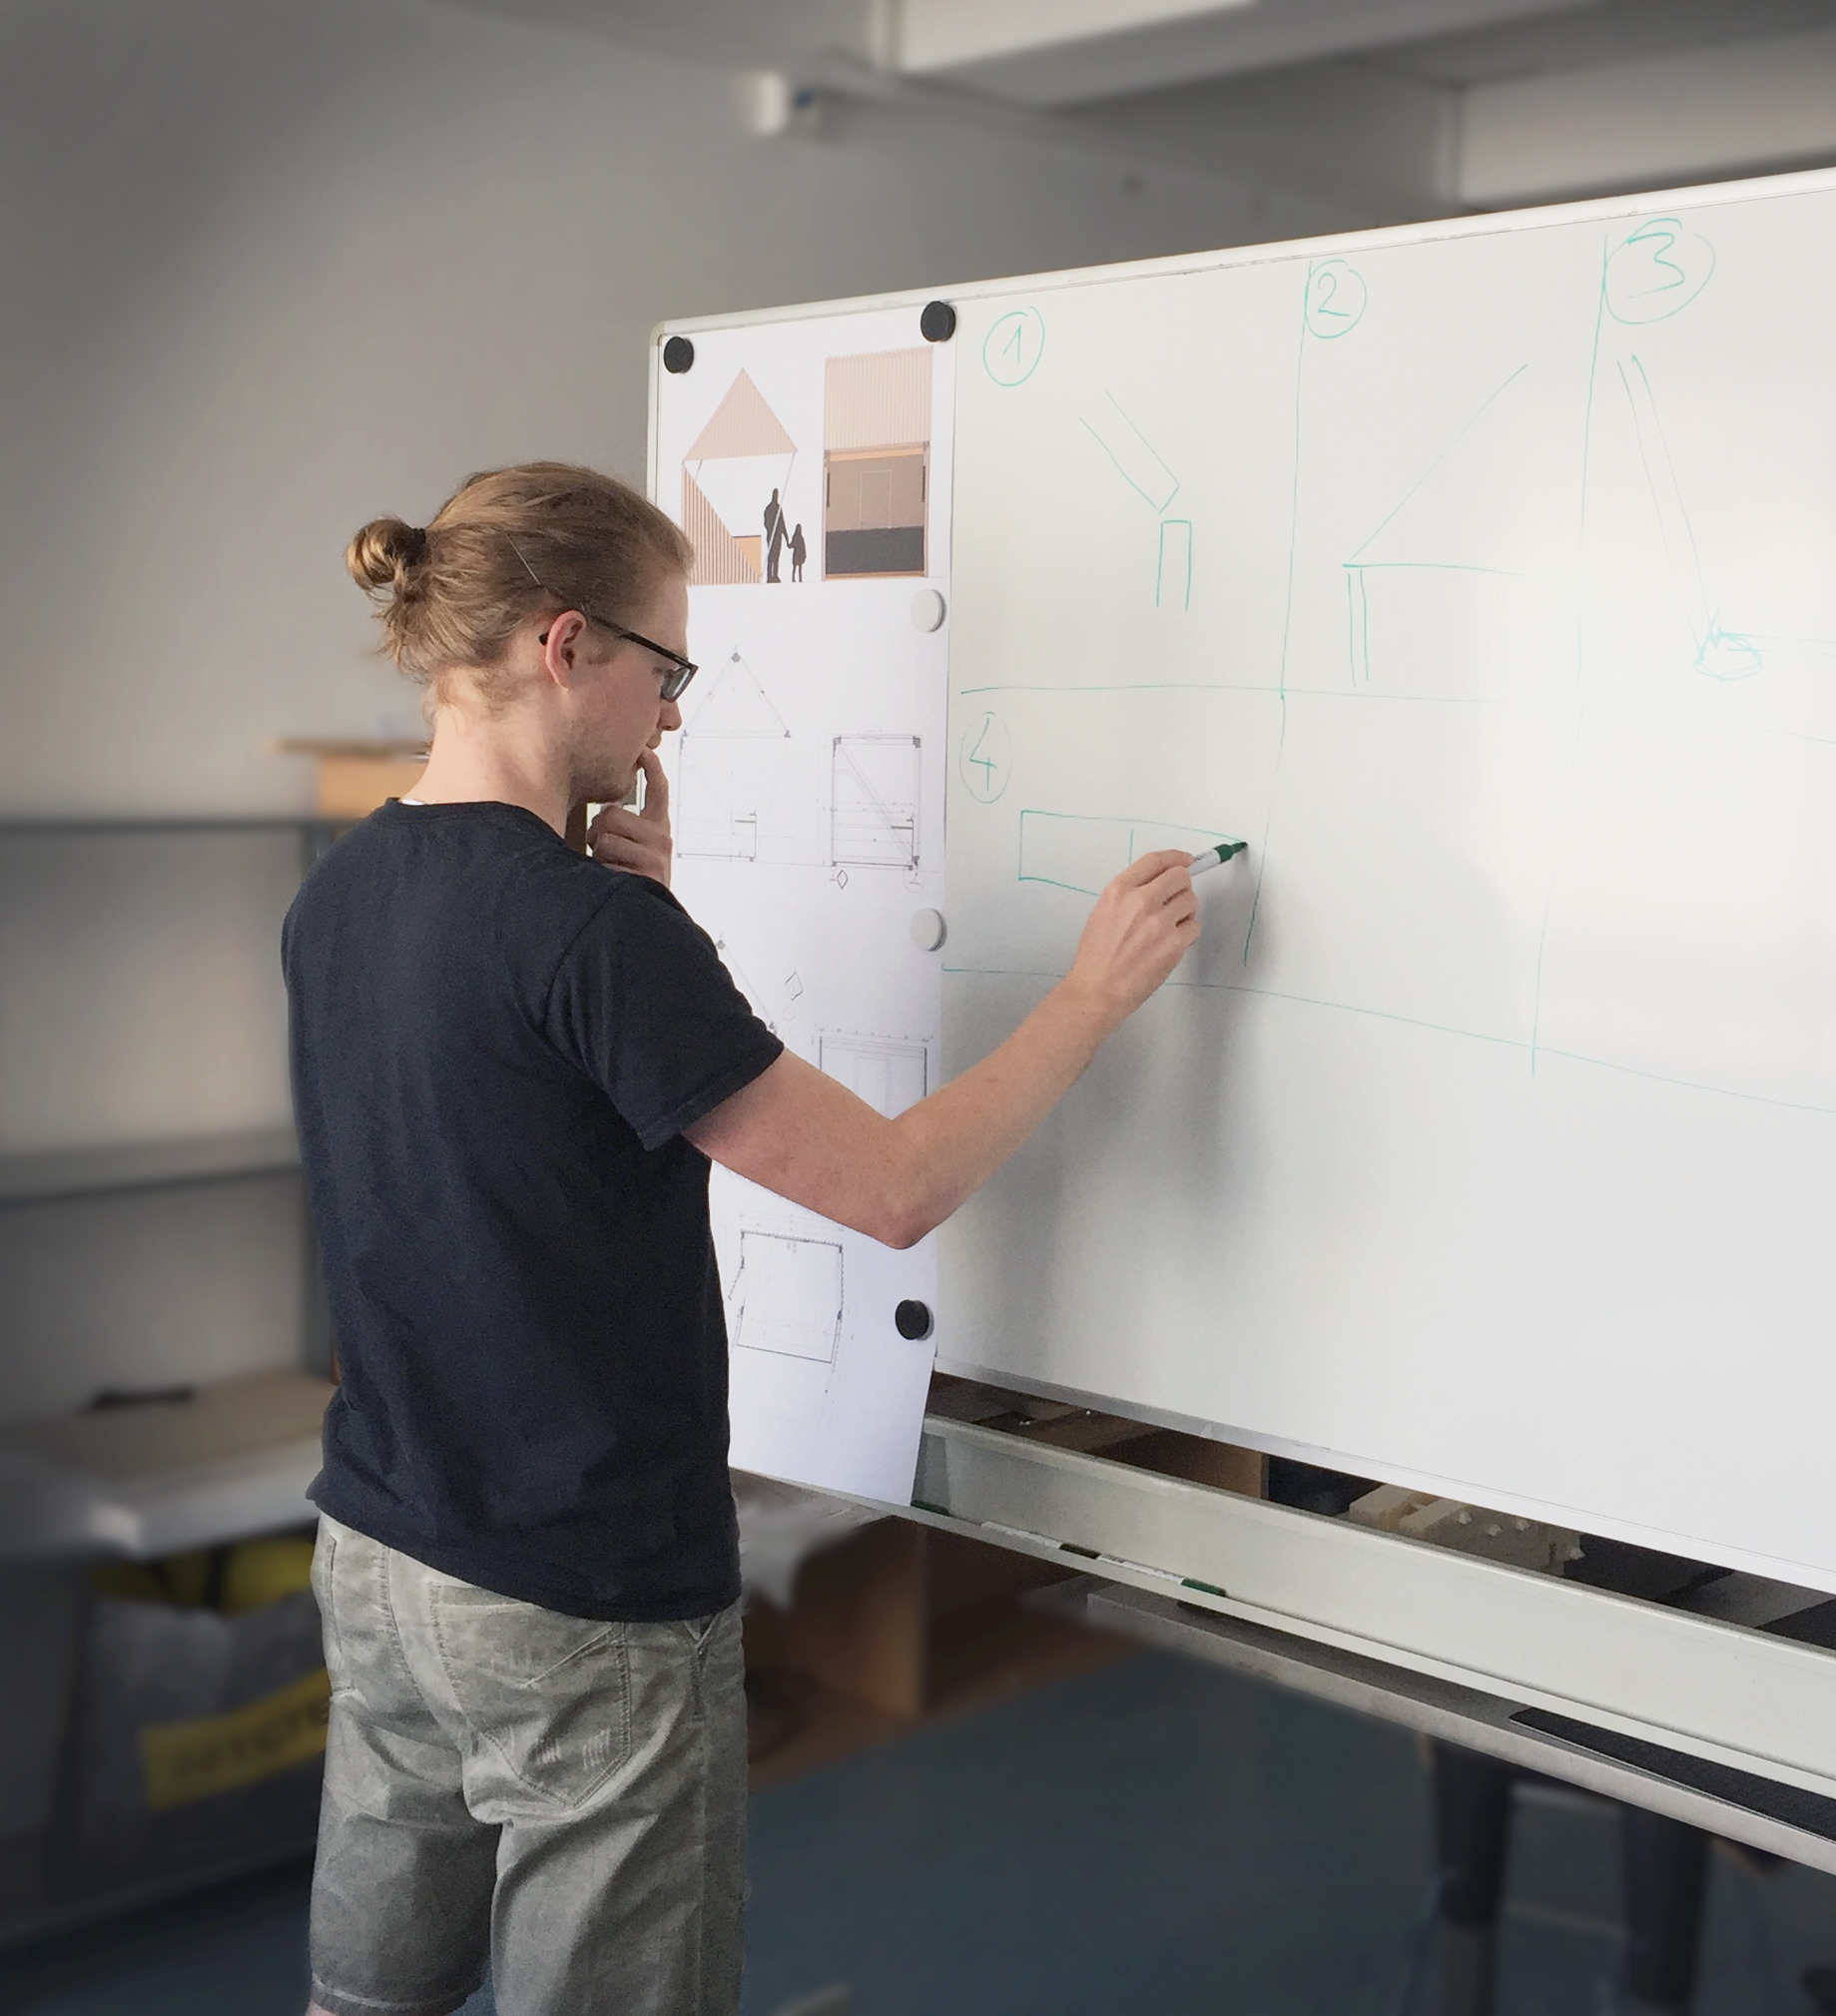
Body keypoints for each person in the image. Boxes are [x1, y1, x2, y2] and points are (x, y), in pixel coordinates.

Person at [287, 462, 1197, 2016]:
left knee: (374, 2000)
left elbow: (513, 1110)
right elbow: (896, 1184)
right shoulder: (589, 933)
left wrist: (653, 925)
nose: (678, 714)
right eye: (669, 665)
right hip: (575, 1593)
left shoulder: (347, 886)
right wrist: (1092, 994)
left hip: (382, 1545)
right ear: (567, 646)